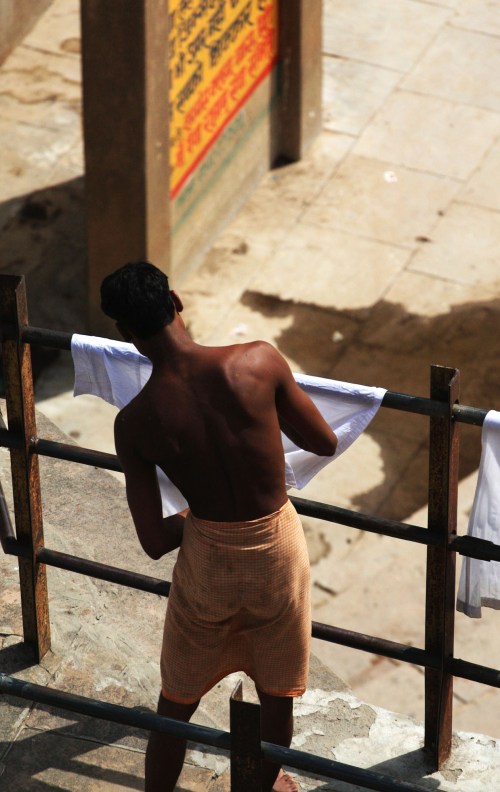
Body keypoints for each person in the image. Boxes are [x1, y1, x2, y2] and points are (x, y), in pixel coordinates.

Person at [100, 261, 337, 792]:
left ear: (124, 333)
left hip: (207, 557)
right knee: (277, 696)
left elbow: (154, 541)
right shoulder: (258, 361)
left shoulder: (134, 422)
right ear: (177, 301)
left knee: (175, 705)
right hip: (277, 550)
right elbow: (323, 441)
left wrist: (194, 519)